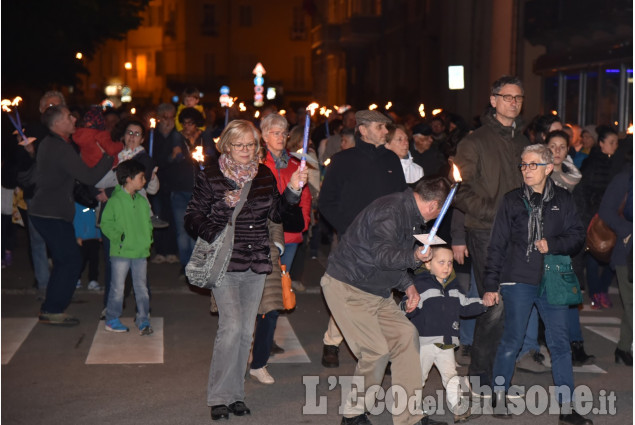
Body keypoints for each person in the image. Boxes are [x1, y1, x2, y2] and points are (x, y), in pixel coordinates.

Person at [183, 120, 307, 421]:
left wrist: (292, 190)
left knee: (244, 332)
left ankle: (236, 394)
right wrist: (220, 227)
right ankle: (219, 397)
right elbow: (192, 216)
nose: (245, 150)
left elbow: (277, 215)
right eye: (239, 145)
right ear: (226, 145)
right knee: (231, 328)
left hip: (256, 261)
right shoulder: (211, 176)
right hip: (225, 261)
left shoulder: (264, 174)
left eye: (250, 145)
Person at [321, 176, 450, 425]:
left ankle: (410, 417)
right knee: (375, 351)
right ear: (434, 205)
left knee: (405, 336)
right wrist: (415, 256)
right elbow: (384, 255)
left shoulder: (408, 212)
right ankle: (353, 415)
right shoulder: (392, 210)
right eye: (442, 211)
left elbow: (390, 259)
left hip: (376, 291)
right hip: (349, 287)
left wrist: (408, 286)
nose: (439, 217)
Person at [483, 144, 591, 425]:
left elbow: (579, 236)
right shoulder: (512, 200)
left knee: (560, 343)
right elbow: (497, 245)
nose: (526, 170)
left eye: (532, 165)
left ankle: (567, 408)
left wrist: (552, 244)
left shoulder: (564, 200)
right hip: (518, 276)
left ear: (549, 168)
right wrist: (490, 284)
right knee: (512, 338)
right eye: (523, 165)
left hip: (553, 276)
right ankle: (498, 393)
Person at [452, 75, 531, 391]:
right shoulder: (474, 142)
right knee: (494, 301)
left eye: (518, 98)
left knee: (512, 302)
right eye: (507, 97)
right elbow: (461, 192)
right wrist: (498, 213)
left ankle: (498, 368)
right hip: (486, 231)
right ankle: (480, 374)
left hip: (520, 233)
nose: (513, 102)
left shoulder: (524, 142)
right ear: (494, 99)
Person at [318, 109, 407, 368]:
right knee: (350, 293)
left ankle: (380, 349)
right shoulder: (343, 160)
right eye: (380, 127)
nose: (385, 132)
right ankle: (332, 342)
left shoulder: (391, 159)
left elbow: (401, 197)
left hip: (386, 240)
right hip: (353, 242)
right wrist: (349, 228)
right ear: (363, 129)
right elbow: (326, 202)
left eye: (386, 127)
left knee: (380, 294)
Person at [29, 105, 113, 325]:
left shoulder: (52, 143)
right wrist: (108, 156)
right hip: (50, 213)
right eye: (69, 116)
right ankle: (52, 309)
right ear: (57, 124)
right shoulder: (59, 148)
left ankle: (52, 307)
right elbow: (88, 176)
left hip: (48, 211)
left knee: (66, 259)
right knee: (70, 259)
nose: (74, 118)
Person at [249, 113, 312, 385]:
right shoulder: (256, 162)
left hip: (289, 238)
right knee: (257, 296)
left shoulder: (297, 164)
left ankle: (259, 355)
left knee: (275, 298)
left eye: (283, 132)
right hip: (261, 238)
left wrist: (302, 225)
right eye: (274, 131)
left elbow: (305, 198)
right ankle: (255, 346)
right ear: (263, 135)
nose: (280, 136)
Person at [404, 245, 485, 423]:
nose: (447, 267)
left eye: (450, 263)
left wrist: (483, 303)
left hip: (447, 343)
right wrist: (407, 307)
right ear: (427, 264)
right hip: (424, 343)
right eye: (441, 262)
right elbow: (407, 306)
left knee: (451, 376)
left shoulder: (454, 288)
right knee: (418, 377)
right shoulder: (420, 286)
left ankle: (458, 407)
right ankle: (411, 409)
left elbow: (465, 306)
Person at [545, 130, 594, 366]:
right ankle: (546, 345)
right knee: (546, 299)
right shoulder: (537, 175)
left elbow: (583, 213)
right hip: (545, 247)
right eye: (552, 146)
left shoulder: (575, 177)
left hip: (570, 247)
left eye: (562, 147)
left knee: (570, 296)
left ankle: (576, 345)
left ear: (567, 151)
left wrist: (577, 239)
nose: (556, 151)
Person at [99, 159, 154, 335]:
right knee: (117, 287)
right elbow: (105, 223)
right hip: (121, 251)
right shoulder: (115, 201)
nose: (144, 181)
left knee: (141, 288)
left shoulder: (141, 201)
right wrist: (119, 237)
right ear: (128, 179)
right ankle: (112, 319)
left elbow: (147, 224)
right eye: (141, 177)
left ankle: (143, 318)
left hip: (140, 251)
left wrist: (148, 240)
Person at [573, 125, 620, 309]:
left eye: (616, 142)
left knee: (612, 255)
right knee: (594, 253)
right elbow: (587, 192)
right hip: (595, 217)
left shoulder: (614, 163)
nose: (615, 146)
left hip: (610, 216)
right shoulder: (594, 163)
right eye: (611, 142)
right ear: (601, 144)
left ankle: (601, 290)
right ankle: (595, 293)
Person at [599, 164, 633, 366]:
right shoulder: (625, 178)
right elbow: (606, 210)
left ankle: (623, 346)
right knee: (631, 303)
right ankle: (623, 348)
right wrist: (628, 230)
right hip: (629, 251)